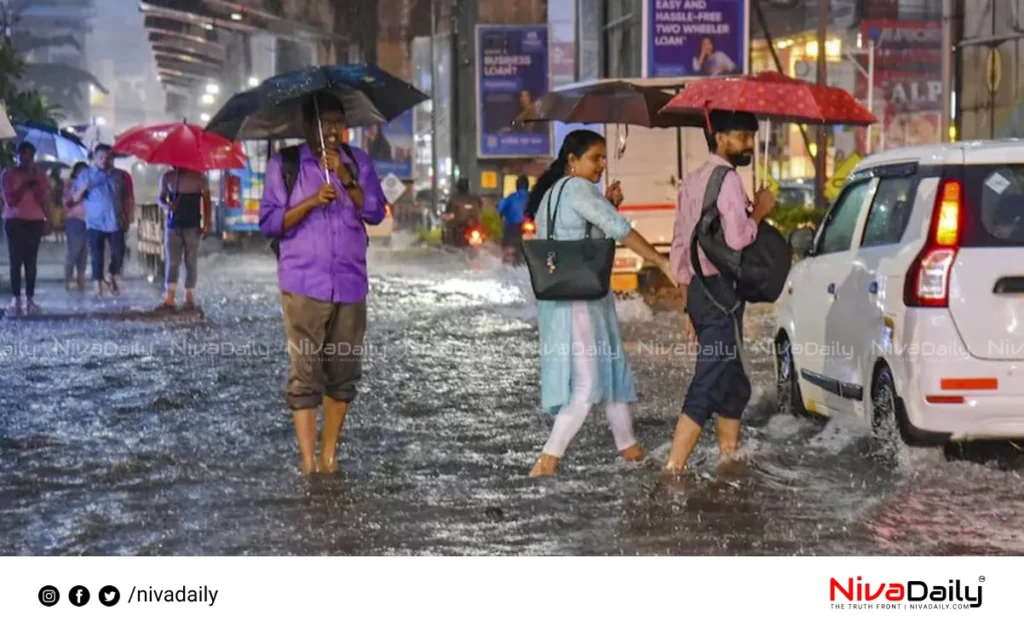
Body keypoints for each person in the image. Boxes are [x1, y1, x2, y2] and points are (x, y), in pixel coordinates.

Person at [526, 130, 678, 477]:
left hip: (571, 297)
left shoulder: (553, 193)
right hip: (578, 301)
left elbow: (583, 237)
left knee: (611, 377)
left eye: (604, 158)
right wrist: (661, 261)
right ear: (573, 161)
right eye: (595, 158)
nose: (602, 165)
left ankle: (631, 451)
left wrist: (607, 204)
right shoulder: (578, 188)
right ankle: (547, 462)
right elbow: (619, 230)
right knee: (588, 387)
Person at [259, 93, 388, 476]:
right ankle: (308, 461)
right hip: (303, 283)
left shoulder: (357, 162)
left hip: (350, 283)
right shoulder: (285, 164)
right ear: (307, 125)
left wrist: (348, 180)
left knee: (344, 371)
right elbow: (269, 223)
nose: (332, 130)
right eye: (324, 122)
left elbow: (376, 213)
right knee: (305, 372)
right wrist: (312, 201)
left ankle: (330, 456)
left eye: (337, 122)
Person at [666, 110, 775, 475]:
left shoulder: (693, 179)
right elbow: (738, 238)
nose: (748, 144)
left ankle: (729, 459)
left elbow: (680, 245)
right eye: (741, 137)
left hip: (700, 291)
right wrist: (759, 212)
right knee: (710, 378)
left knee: (733, 383)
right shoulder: (727, 180)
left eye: (750, 137)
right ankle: (673, 469)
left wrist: (689, 306)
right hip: (722, 294)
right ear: (720, 138)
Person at [72, 144, 131, 297]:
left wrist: (128, 216)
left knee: (119, 252)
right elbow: (75, 198)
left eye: (108, 158)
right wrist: (84, 187)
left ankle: (112, 273)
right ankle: (97, 283)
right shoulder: (86, 175)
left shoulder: (120, 176)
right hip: (94, 222)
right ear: (95, 158)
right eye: (101, 157)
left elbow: (127, 198)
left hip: (115, 221)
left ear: (112, 158)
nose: (104, 161)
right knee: (96, 253)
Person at [1, 142, 50, 315]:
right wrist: (25, 184)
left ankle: (30, 299)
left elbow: (43, 199)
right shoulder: (8, 174)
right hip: (14, 220)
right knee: (16, 260)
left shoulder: (40, 175)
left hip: (35, 220)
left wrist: (35, 183)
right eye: (22, 154)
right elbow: (11, 199)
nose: (25, 158)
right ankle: (16, 299)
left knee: (31, 261)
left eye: (29, 155)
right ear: (17, 156)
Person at [157, 166, 211, 310]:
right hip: (173, 225)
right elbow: (160, 199)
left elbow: (207, 202)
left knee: (191, 261)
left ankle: (189, 295)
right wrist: (168, 205)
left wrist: (206, 224)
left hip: (192, 225)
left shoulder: (200, 178)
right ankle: (170, 295)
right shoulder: (168, 177)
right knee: (173, 261)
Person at [62, 161, 90, 292]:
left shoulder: (89, 185)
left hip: (88, 221)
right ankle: (68, 278)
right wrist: (83, 188)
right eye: (82, 172)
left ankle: (81, 279)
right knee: (74, 251)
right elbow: (69, 202)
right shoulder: (70, 184)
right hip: (74, 220)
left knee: (84, 252)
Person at [442, 178, 483, 246]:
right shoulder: (475, 197)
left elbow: (448, 212)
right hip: (473, 223)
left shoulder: (453, 198)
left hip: (459, 225)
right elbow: (481, 207)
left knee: (449, 231)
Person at [498, 175, 529, 261]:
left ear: (517, 186)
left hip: (513, 228)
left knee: (508, 250)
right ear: (527, 186)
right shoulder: (534, 197)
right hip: (531, 229)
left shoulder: (511, 197)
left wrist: (501, 215)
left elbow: (501, 209)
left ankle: (508, 256)